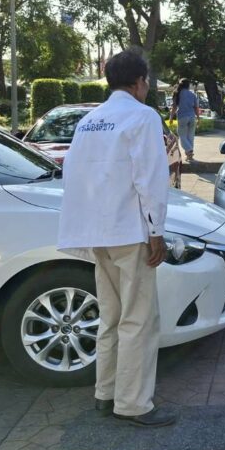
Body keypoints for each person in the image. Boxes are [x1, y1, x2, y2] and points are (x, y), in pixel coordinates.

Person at [57, 49, 176, 427]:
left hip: (98, 232)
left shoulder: (89, 121)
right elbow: (151, 178)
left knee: (110, 316)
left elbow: (73, 176)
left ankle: (105, 393)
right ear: (140, 82)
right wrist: (156, 230)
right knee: (138, 320)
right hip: (130, 231)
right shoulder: (142, 116)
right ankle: (134, 404)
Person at [170, 79, 198, 162]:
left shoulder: (177, 93)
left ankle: (189, 151)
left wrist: (171, 117)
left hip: (182, 117)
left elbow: (174, 107)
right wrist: (198, 118)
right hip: (192, 117)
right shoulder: (192, 94)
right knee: (190, 137)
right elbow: (196, 107)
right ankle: (189, 156)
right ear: (188, 85)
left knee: (182, 136)